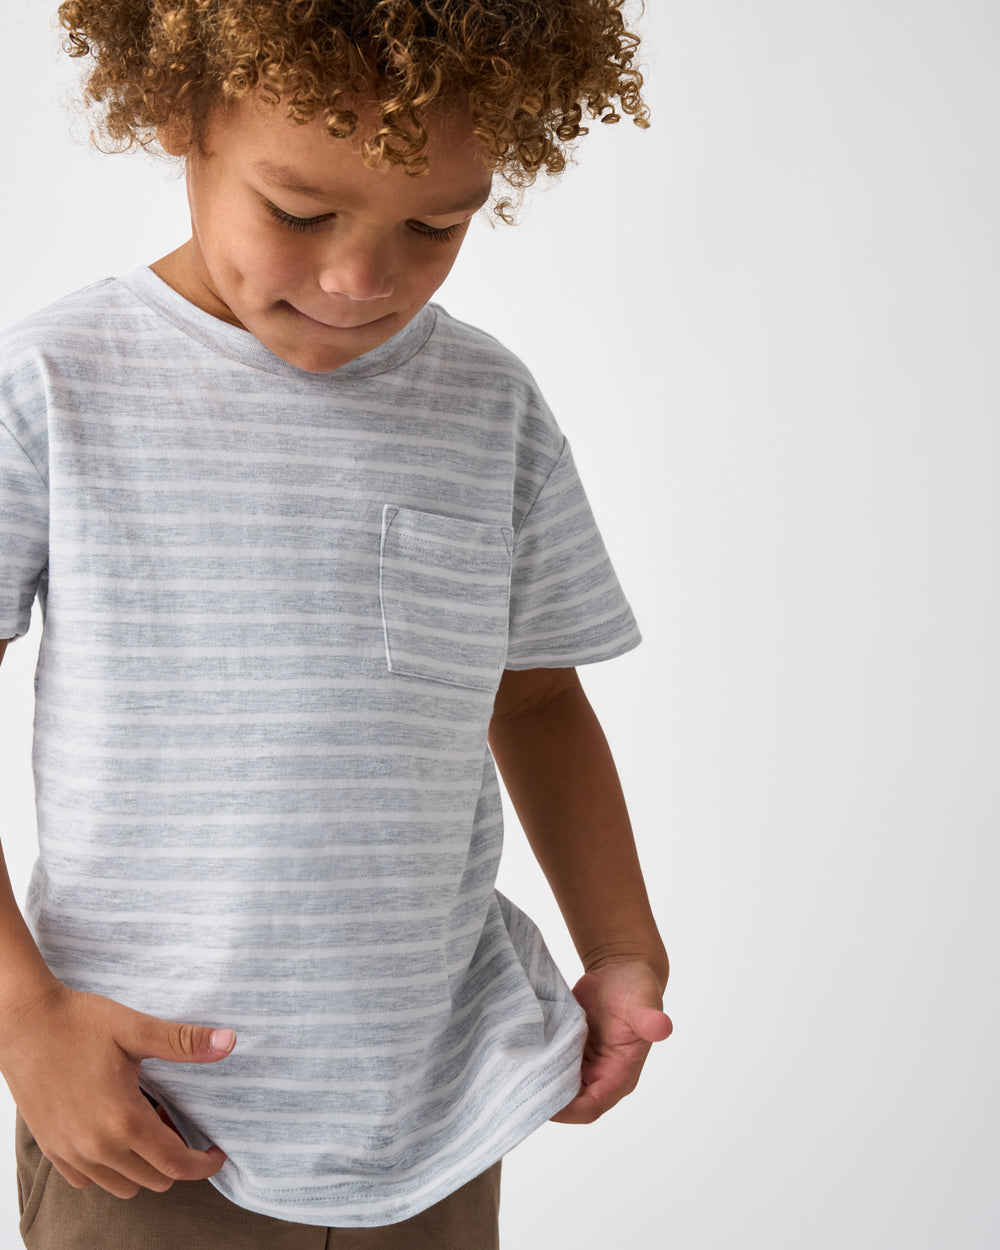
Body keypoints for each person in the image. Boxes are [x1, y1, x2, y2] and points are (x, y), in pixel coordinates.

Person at [0, 2, 671, 1246]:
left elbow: (529, 693)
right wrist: (21, 1014)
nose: (362, 280)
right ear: (177, 116)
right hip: (145, 1113)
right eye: (298, 213)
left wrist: (622, 944)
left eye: (434, 226)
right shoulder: (54, 387)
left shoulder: (488, 405)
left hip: (439, 1103)